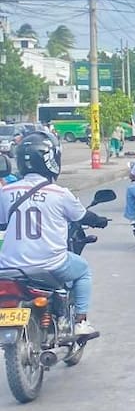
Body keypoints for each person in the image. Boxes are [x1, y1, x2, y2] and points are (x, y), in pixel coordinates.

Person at [0, 132, 110, 340]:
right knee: (83, 271)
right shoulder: (60, 193)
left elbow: (3, 223)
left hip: (9, 266)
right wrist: (100, 221)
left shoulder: (5, 192)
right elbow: (82, 216)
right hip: (50, 264)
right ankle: (80, 322)